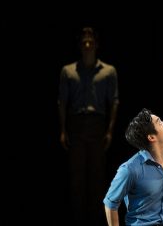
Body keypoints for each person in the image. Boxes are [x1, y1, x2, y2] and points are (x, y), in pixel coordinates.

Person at [58, 26, 119, 226]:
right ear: (79, 44)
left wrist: (109, 131)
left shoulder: (109, 71)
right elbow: (62, 102)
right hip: (76, 125)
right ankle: (77, 219)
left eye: (90, 38)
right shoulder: (68, 71)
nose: (87, 42)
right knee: (76, 176)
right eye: (83, 38)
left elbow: (114, 102)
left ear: (96, 43)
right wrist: (63, 130)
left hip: (97, 125)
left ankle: (95, 219)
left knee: (97, 176)